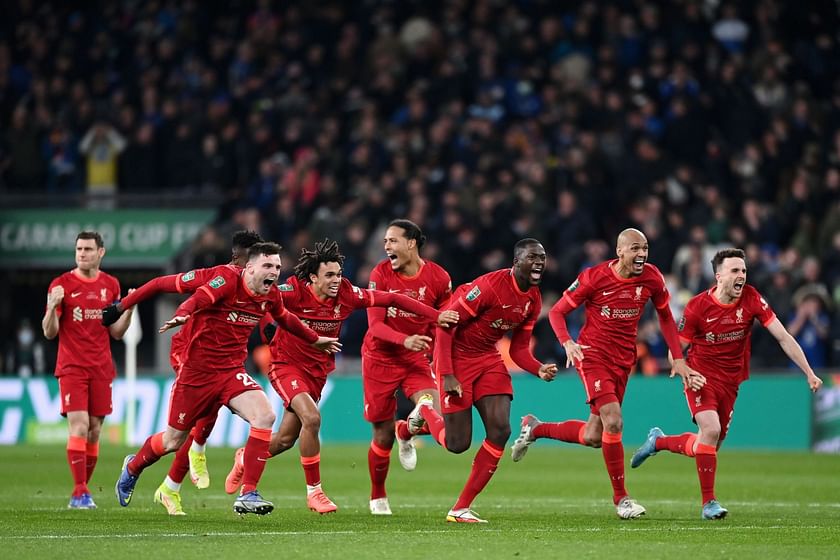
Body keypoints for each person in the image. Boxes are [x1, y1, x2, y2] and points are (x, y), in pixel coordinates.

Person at [223, 239, 458, 514]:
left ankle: (245, 457)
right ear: (313, 277)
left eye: (339, 274)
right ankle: (315, 492)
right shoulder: (292, 292)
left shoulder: (347, 294)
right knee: (312, 418)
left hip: (317, 372)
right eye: (329, 275)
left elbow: (393, 298)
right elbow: (260, 296)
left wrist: (437, 315)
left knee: (286, 440)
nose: (336, 280)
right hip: (286, 365)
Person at [114, 242, 341, 516]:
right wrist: (183, 313)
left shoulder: (270, 296)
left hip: (232, 371)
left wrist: (315, 340)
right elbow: (199, 298)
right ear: (250, 267)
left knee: (265, 416)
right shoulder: (226, 280)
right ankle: (133, 466)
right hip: (197, 374)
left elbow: (286, 318)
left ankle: (248, 493)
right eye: (268, 266)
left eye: (278, 267)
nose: (274, 272)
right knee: (173, 441)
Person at [510, 228, 703, 519]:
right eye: (635, 249)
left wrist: (677, 357)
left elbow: (665, 316)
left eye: (645, 248)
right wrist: (568, 343)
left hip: (624, 360)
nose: (642, 254)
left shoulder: (652, 278)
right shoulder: (594, 277)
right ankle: (622, 499)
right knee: (614, 420)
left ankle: (535, 428)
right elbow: (557, 312)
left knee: (594, 435)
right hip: (593, 357)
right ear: (620, 251)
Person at [629, 248, 823, 519]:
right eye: (735, 270)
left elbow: (783, 336)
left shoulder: (752, 298)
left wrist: (809, 372)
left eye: (743, 270)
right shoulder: (697, 306)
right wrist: (681, 367)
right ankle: (709, 504)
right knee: (710, 430)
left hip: (731, 382)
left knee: (706, 446)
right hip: (701, 378)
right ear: (718, 276)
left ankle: (658, 442)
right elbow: (679, 346)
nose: (741, 275)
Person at [101, 230, 264, 515]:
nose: (260, 270)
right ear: (239, 260)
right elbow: (160, 285)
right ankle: (141, 465)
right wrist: (120, 307)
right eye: (255, 263)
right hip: (190, 355)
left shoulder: (261, 287)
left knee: (256, 413)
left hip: (229, 366)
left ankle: (189, 470)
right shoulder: (218, 277)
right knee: (175, 438)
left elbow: (282, 313)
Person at [428, 238, 558, 523]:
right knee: (457, 443)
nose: (538, 262)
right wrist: (447, 373)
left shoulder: (533, 299)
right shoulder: (488, 287)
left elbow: (518, 349)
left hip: (487, 358)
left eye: (542, 257)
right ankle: (425, 410)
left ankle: (460, 508)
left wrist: (537, 369)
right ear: (516, 262)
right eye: (532, 257)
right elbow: (446, 326)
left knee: (500, 430)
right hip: (456, 356)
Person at [361, 219, 453, 515]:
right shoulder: (381, 274)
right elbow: (375, 326)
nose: (386, 246)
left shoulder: (439, 278)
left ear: (411, 243)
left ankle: (408, 431)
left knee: (434, 412)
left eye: (392, 241)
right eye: (385, 241)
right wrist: (405, 339)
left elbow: (444, 324)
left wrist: (445, 367)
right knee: (382, 434)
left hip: (415, 358)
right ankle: (378, 495)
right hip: (379, 358)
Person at [42, 231, 135, 509]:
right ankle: (80, 491)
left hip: (102, 367)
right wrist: (51, 307)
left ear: (100, 252)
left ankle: (83, 492)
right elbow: (49, 333)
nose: (82, 253)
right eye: (79, 249)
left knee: (94, 430)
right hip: (71, 366)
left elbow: (116, 332)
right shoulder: (61, 284)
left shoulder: (110, 285)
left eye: (87, 249)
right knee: (80, 425)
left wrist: (128, 310)